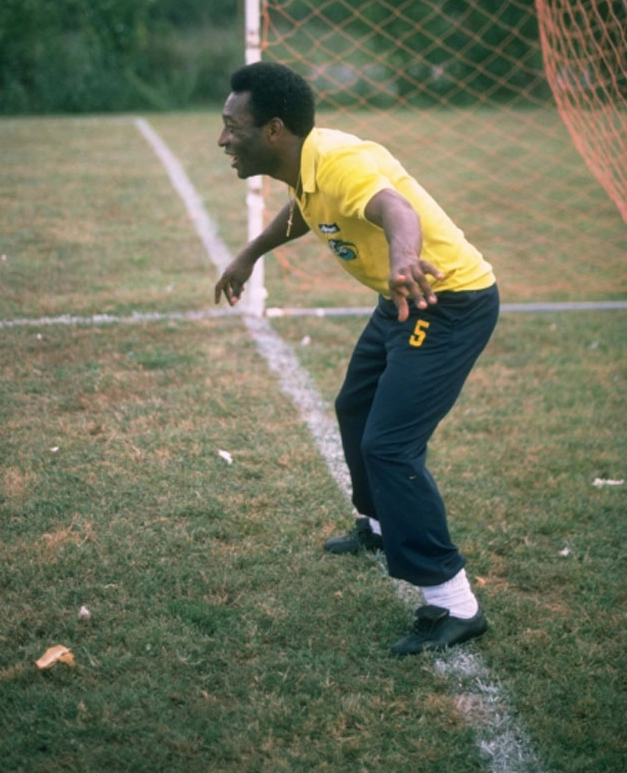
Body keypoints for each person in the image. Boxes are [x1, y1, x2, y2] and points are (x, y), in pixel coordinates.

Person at [214, 61, 499, 657]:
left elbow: (396, 210)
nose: (222, 140)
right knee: (355, 407)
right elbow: (305, 211)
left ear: (272, 130)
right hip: (400, 297)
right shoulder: (305, 165)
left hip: (442, 300)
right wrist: (251, 253)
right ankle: (376, 525)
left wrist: (402, 259)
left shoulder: (341, 163)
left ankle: (454, 604)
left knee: (390, 445)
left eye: (231, 126)